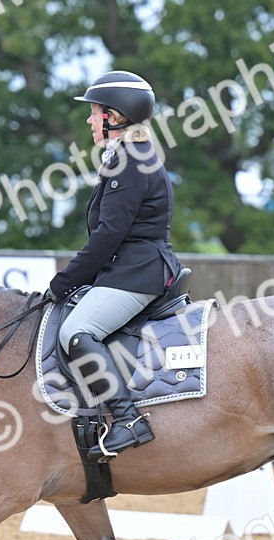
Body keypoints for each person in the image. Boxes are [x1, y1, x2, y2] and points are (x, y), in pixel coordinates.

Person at [47, 70, 183, 462]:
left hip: (137, 272)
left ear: (116, 115)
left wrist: (66, 281)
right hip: (128, 269)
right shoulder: (127, 156)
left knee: (76, 331)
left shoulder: (130, 159)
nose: (90, 121)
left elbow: (108, 234)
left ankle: (126, 419)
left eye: (94, 113)